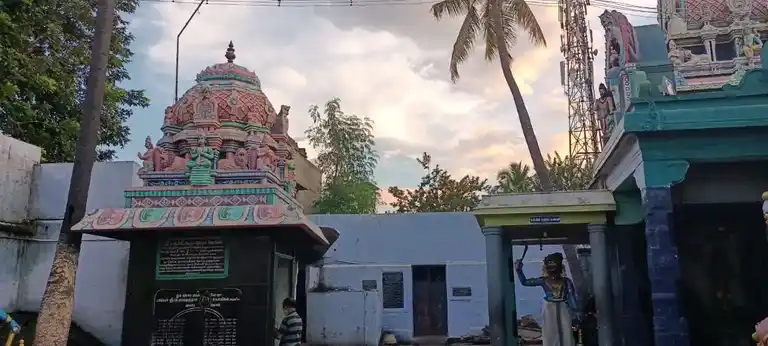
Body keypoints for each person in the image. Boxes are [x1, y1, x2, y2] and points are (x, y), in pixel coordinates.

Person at [516, 252, 580, 346]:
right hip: (550, 309)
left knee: (565, 332)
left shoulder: (565, 282)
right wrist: (519, 270)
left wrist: (578, 312)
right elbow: (525, 282)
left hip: (562, 309)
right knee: (550, 332)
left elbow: (573, 301)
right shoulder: (547, 281)